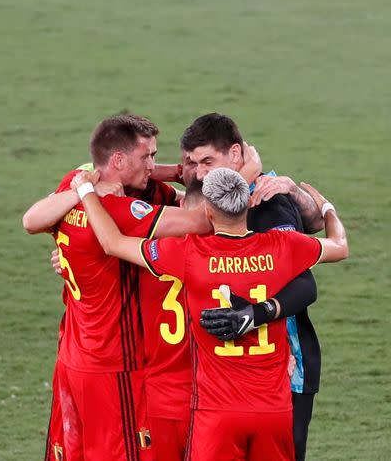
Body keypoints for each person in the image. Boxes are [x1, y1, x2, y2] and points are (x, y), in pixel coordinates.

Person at [72, 167, 347, 461]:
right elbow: (340, 246)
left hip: (217, 413)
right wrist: (327, 207)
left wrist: (86, 192)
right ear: (247, 204)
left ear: (208, 212)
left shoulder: (189, 254)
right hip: (274, 410)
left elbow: (112, 243)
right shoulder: (281, 246)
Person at [23, 113, 211, 460]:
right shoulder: (118, 209)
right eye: (148, 157)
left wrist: (84, 190)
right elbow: (202, 222)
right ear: (119, 160)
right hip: (114, 365)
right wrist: (243, 177)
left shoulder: (75, 185)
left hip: (72, 355)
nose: (153, 164)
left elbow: (30, 220)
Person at [180, 113, 323, 460]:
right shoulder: (216, 197)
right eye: (193, 163)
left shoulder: (266, 200)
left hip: (285, 364)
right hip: (233, 372)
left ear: (235, 153)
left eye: (207, 162)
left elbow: (304, 284)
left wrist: (257, 314)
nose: (199, 174)